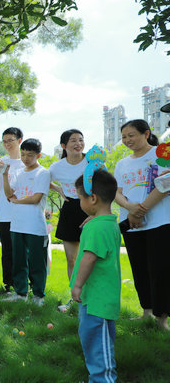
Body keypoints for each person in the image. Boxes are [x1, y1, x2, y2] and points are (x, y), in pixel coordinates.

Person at [114, 119, 170, 330]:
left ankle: (161, 317)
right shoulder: (122, 164)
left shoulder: (162, 153)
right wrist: (130, 208)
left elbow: (165, 184)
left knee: (161, 269)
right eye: (124, 137)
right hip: (132, 223)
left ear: (146, 134)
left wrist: (141, 210)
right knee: (139, 268)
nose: (127, 140)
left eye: (132, 135)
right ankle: (146, 311)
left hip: (160, 221)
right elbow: (117, 192)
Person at [71, 167, 121, 383]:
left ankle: (103, 379)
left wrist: (77, 285)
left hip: (96, 300)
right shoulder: (108, 222)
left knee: (98, 345)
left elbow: (89, 258)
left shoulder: (96, 228)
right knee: (96, 340)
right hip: (99, 297)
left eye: (80, 197)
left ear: (92, 198)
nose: (79, 202)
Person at [2, 138, 51, 306]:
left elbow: (36, 198)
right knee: (19, 261)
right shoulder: (19, 172)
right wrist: (4, 175)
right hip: (17, 224)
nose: (25, 158)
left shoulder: (42, 173)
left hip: (35, 225)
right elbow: (9, 194)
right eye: (23, 154)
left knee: (37, 262)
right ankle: (20, 293)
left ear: (38, 155)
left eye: (30, 155)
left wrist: (17, 201)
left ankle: (38, 295)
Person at [48, 129, 88, 312]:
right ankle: (75, 298)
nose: (78, 144)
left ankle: (91, 297)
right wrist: (59, 189)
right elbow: (44, 179)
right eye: (73, 140)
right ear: (64, 146)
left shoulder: (92, 162)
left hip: (91, 208)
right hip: (70, 208)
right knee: (71, 259)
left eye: (81, 140)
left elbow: (104, 184)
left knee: (90, 257)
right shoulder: (57, 167)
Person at [0, 127, 24, 293]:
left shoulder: (26, 161)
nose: (7, 144)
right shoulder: (1, 162)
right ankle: (8, 285)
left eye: (10, 140)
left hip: (24, 212)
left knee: (23, 250)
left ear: (19, 140)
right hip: (5, 213)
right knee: (8, 250)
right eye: (4, 141)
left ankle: (24, 284)